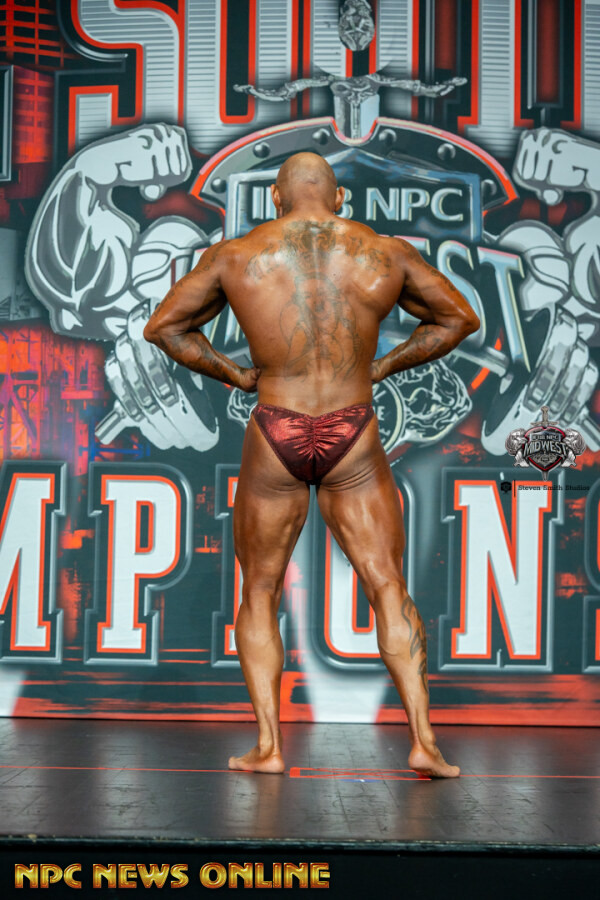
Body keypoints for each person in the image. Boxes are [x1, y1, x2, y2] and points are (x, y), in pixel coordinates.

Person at [143, 152, 480, 778]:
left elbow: (164, 329)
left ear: (276, 198)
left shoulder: (236, 255)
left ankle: (269, 748)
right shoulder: (385, 252)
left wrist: (236, 374)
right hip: (354, 427)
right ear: (339, 198)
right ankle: (425, 742)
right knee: (387, 584)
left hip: (276, 424)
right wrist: (382, 366)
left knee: (259, 590)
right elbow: (460, 318)